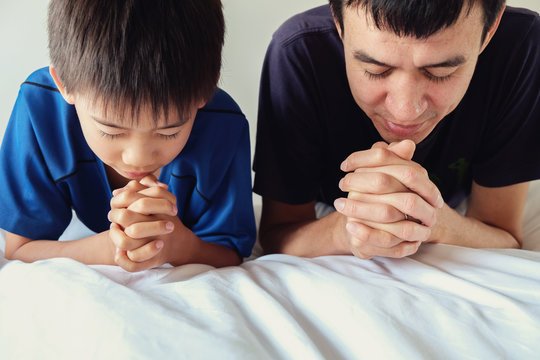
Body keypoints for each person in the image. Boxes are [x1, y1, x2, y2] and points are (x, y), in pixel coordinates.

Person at [253, 0, 540, 259]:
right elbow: (279, 233)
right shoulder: (299, 50)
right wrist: (346, 229)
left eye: (441, 73)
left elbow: (504, 235)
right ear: (340, 26)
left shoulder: (521, 46)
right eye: (375, 70)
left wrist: (433, 220)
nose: (405, 112)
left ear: (488, 31)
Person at [0, 0, 256, 272]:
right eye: (110, 130)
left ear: (205, 94)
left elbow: (230, 253)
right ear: (64, 84)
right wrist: (109, 249)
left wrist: (179, 246)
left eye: (169, 131)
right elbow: (21, 248)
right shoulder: (41, 107)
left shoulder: (224, 126)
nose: (138, 158)